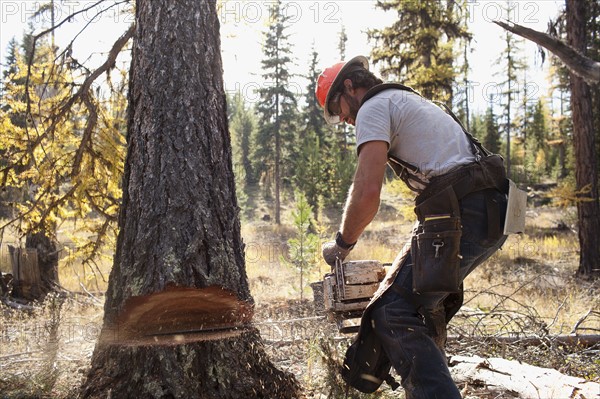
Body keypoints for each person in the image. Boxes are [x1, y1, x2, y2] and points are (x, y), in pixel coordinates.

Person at [316, 55, 510, 398]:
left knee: (392, 310)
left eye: (338, 107)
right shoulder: (404, 99)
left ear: (350, 85)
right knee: (421, 307)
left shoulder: (374, 107)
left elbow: (366, 191)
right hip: (488, 208)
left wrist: (341, 244)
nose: (344, 118)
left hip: (465, 210)